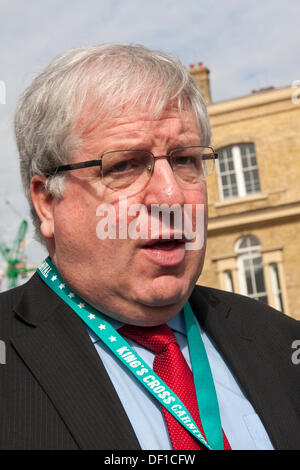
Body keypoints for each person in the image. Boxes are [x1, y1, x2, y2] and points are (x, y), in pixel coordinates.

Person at [1, 44, 300, 451]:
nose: (171, 196)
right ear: (47, 202)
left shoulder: (280, 342)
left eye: (185, 160)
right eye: (123, 165)